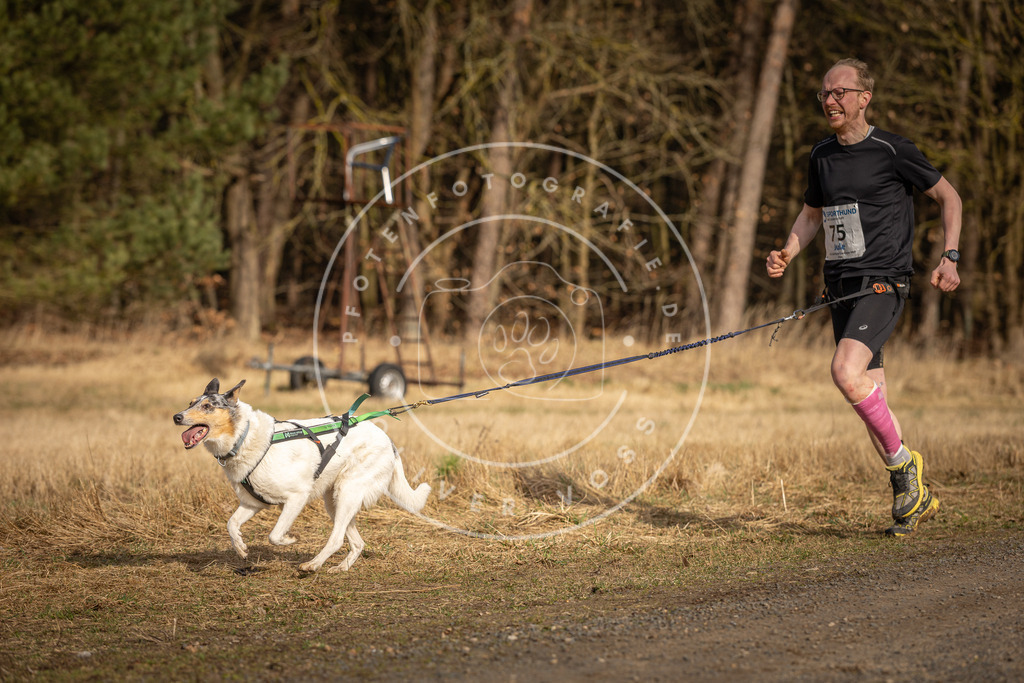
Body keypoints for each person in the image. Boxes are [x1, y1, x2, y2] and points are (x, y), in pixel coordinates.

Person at [766, 58, 962, 537]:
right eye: (824, 94)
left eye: (839, 92)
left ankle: (903, 468)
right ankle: (916, 498)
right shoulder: (822, 156)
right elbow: (813, 215)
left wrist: (950, 256)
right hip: (840, 289)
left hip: (883, 282)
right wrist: (788, 250)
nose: (830, 100)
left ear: (863, 98)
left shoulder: (892, 150)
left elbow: (950, 198)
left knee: (843, 372)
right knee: (872, 401)